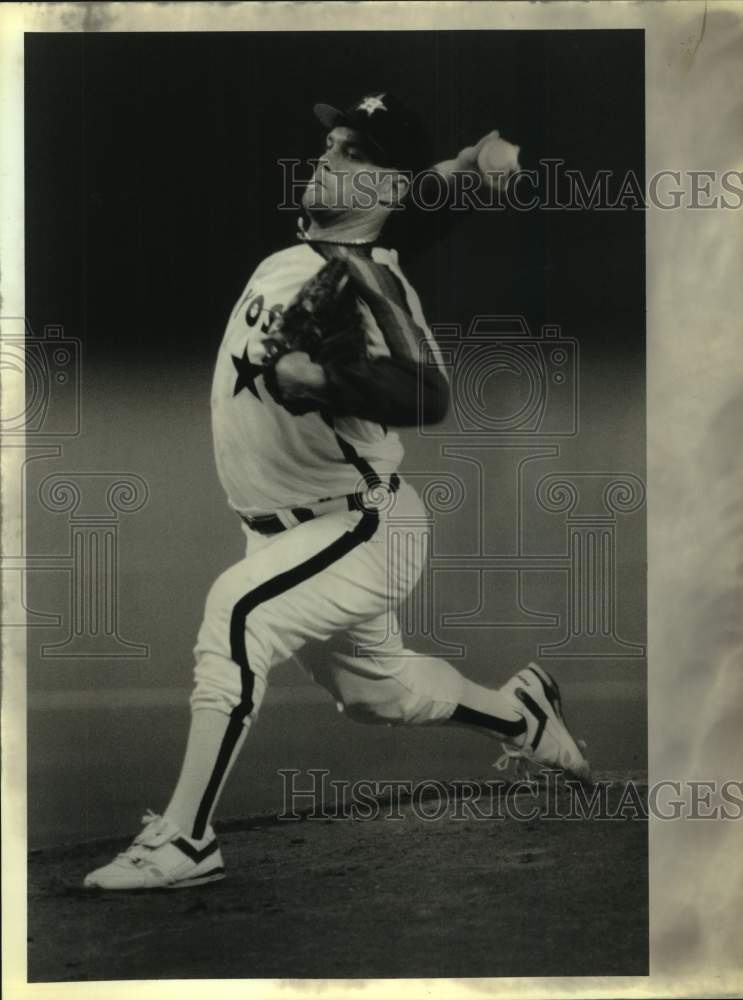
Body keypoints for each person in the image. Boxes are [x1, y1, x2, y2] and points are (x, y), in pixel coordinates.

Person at [84, 93, 589, 891]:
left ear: (384, 185)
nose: (326, 156)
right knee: (377, 694)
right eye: (331, 144)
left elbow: (427, 392)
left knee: (237, 613)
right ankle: (520, 713)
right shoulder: (313, 252)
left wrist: (324, 379)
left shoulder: (369, 281)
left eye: (353, 151)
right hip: (290, 533)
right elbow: (403, 206)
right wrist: (462, 167)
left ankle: (185, 841)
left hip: (361, 529)